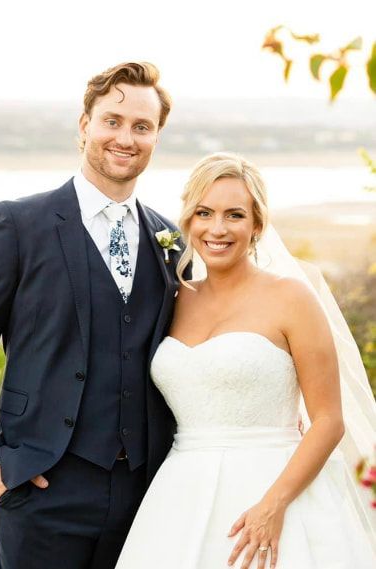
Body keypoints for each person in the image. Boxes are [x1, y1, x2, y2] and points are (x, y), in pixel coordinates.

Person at [0, 62, 188, 569]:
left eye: (142, 127)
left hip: (146, 494)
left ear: (157, 138)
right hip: (40, 486)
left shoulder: (171, 240)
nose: (126, 137)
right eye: (112, 120)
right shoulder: (17, 224)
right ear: (84, 126)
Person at [114, 153, 376, 569]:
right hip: (181, 493)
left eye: (234, 215)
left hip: (277, 487)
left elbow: (328, 420)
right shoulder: (172, 300)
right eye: (204, 213)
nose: (217, 229)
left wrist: (273, 506)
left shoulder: (292, 297)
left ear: (257, 225)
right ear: (188, 219)